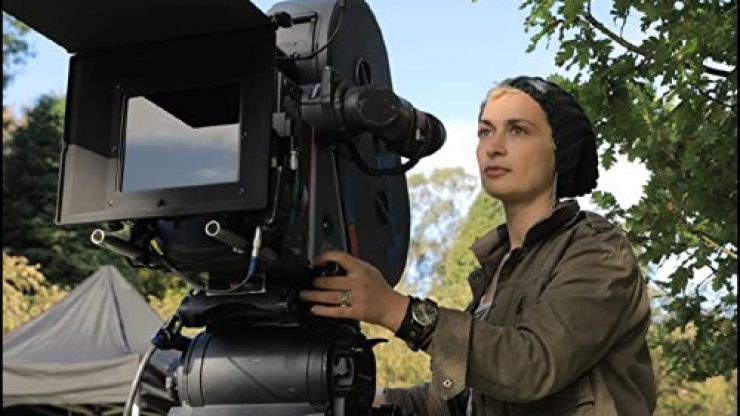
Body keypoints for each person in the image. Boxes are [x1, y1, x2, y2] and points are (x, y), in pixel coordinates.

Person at [299, 76, 656, 415]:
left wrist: (396, 310)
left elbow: (531, 366)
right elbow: (467, 400)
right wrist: (375, 401)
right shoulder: (498, 269)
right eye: (485, 131)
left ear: (559, 148)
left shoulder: (597, 250)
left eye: (518, 130)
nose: (493, 147)